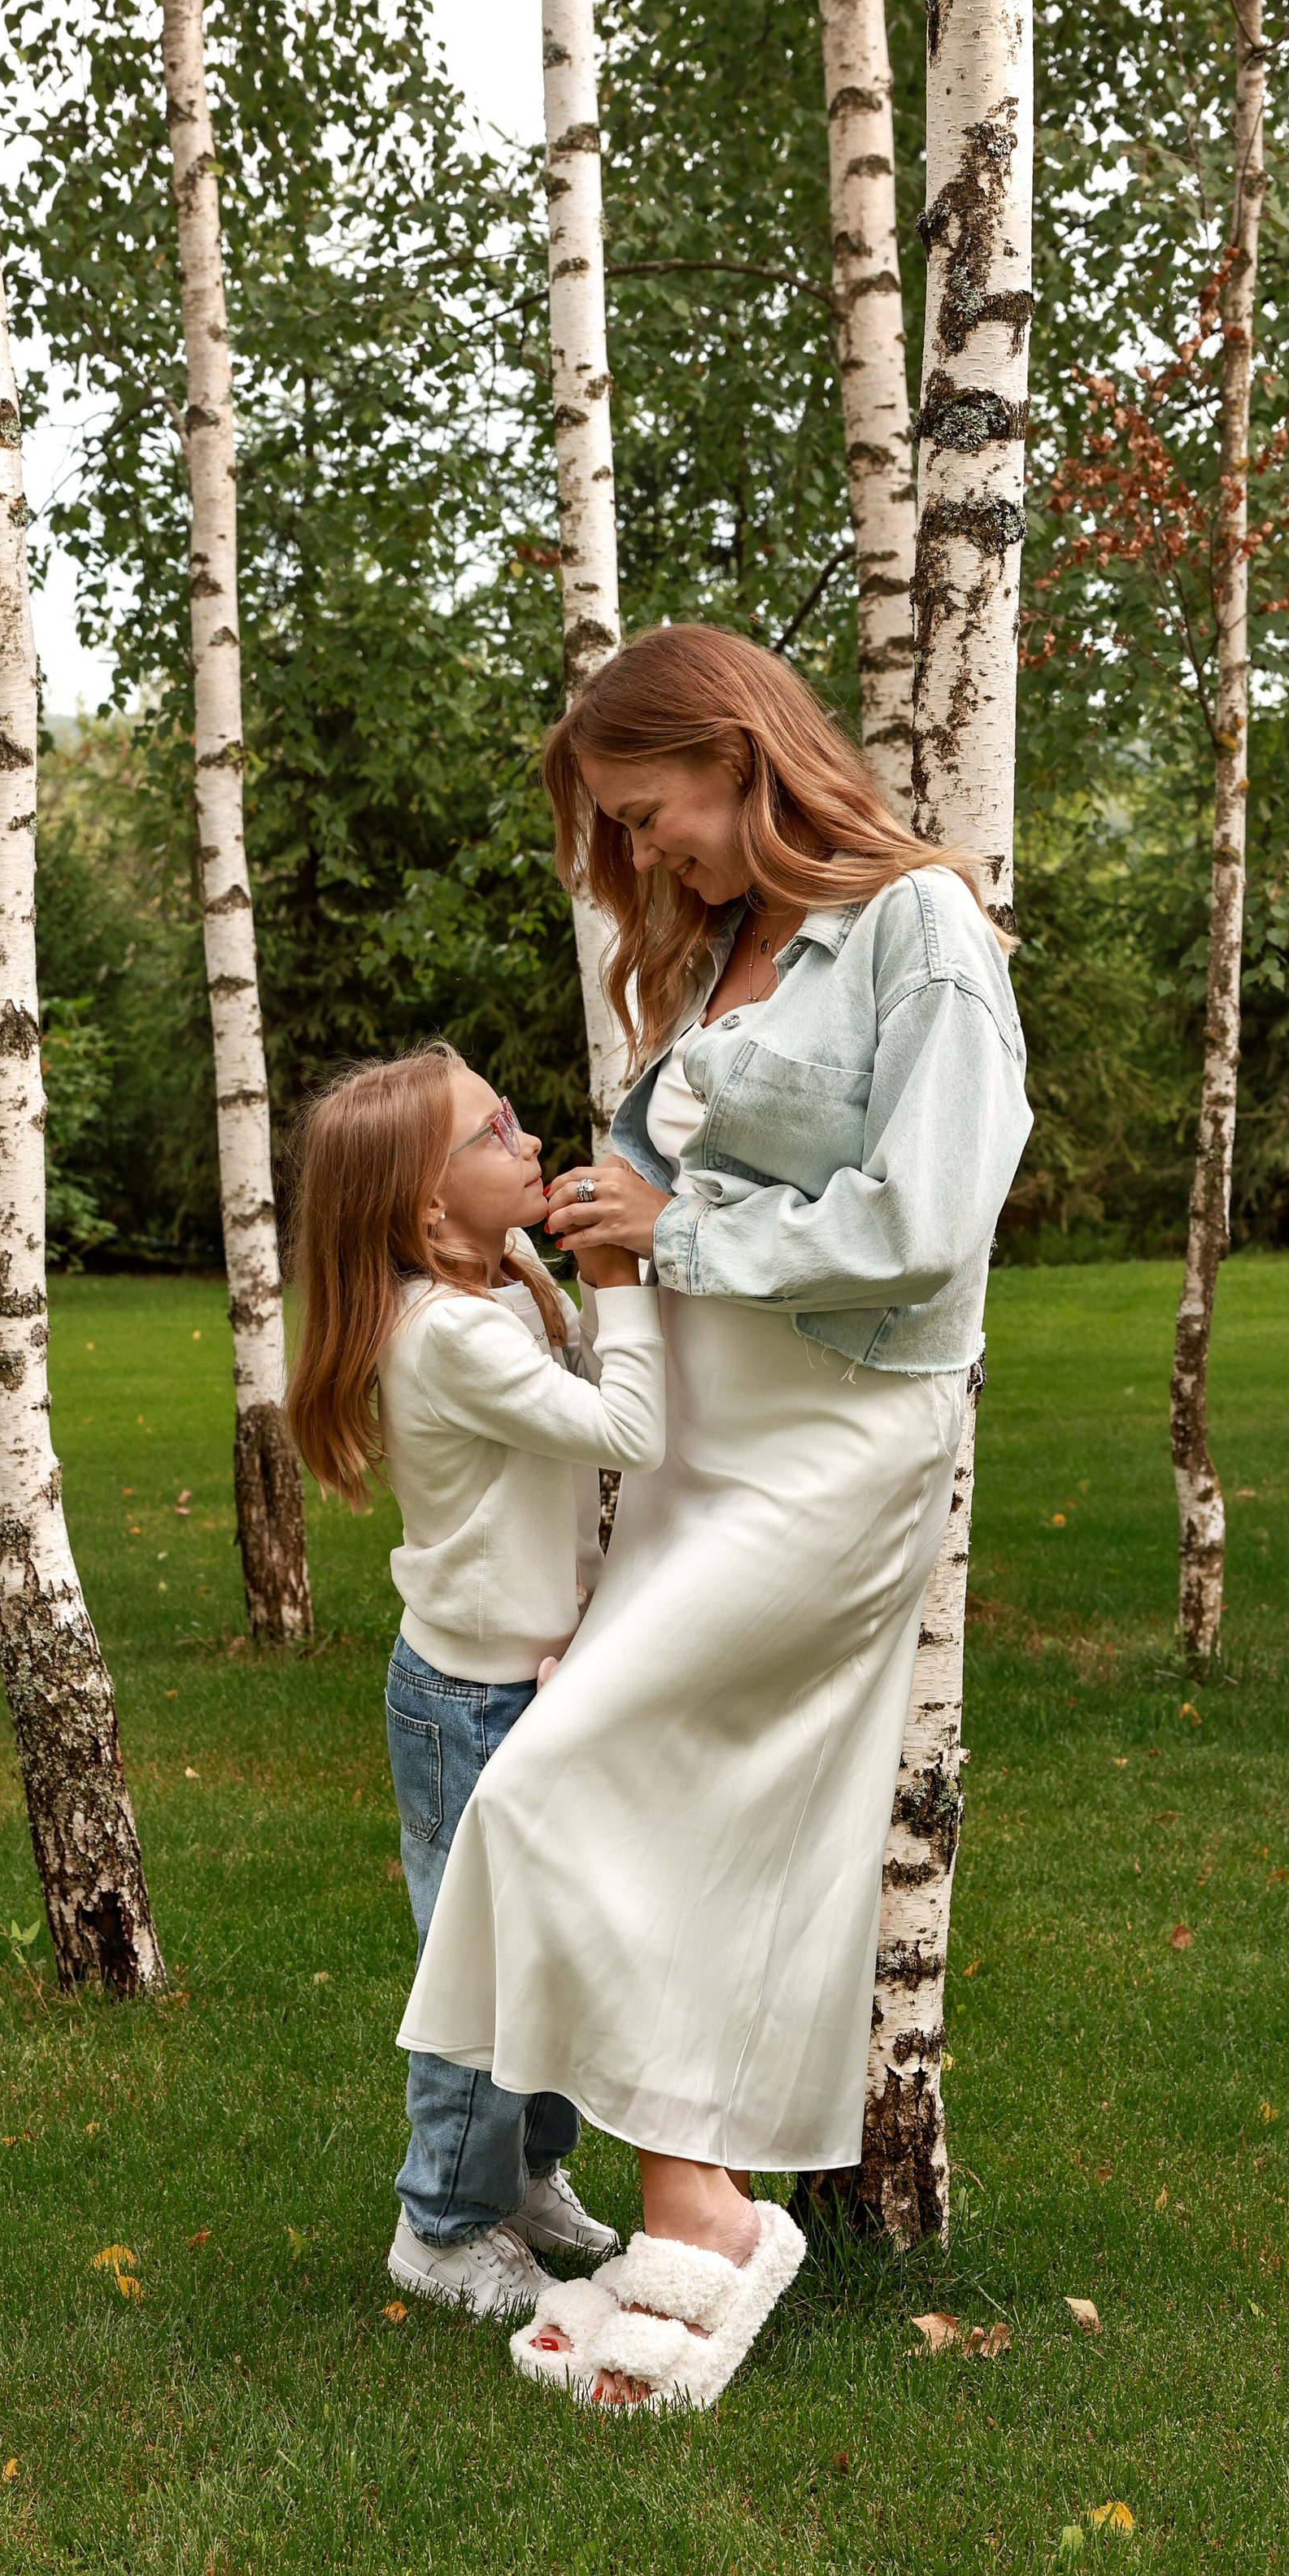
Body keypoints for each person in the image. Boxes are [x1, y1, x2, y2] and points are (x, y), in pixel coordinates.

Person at [398, 623, 1033, 2413]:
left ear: (744, 754)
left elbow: (925, 1218)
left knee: (569, 1775)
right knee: (670, 1813)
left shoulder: (917, 927)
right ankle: (701, 2204)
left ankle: (709, 2217)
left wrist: (671, 1234)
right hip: (692, 1444)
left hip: (835, 1437)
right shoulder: (710, 954)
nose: (643, 852)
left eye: (650, 809)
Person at [285, 1046, 668, 2319]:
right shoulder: (443, 1332)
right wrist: (624, 1279)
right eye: (492, 1131)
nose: (525, 1138)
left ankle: (524, 2177)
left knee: (558, 1948)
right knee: (486, 1969)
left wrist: (563, 1268)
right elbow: (626, 1428)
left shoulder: (498, 1277)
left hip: (535, 1676)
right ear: (422, 1208)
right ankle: (440, 2224)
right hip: (471, 1703)